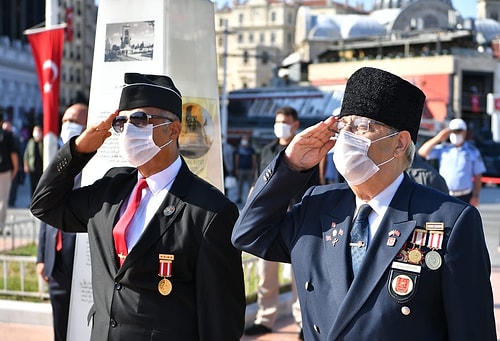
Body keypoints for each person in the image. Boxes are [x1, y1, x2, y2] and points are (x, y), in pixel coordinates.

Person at [232, 67, 496, 340]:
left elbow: (473, 331)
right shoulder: (317, 206)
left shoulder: (449, 220)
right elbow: (249, 234)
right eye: (342, 126)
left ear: (399, 143)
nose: (346, 138)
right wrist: (290, 165)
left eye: (361, 127)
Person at [30, 73, 246, 340]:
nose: (129, 129)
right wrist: (79, 150)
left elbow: (221, 321)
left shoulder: (209, 211)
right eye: (122, 122)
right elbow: (44, 205)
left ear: (174, 129)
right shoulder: (111, 188)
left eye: (141, 120)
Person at [244, 106, 319, 339]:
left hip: (296, 217)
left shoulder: (306, 151)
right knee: (265, 271)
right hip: (268, 218)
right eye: (278, 121)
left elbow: (317, 184)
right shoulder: (266, 151)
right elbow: (258, 184)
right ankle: (265, 319)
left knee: (297, 271)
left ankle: (301, 322)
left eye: (285, 121)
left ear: (296, 125)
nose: (281, 126)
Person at [36, 103, 88, 341]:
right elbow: (44, 211)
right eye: (65, 120)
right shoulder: (57, 163)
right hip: (54, 262)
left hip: (79, 260)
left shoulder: (93, 168)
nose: (67, 125)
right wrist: (41, 257)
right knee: (60, 327)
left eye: (73, 121)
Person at [418, 118, 486, 206]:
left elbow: (478, 175)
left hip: (465, 196)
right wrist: (438, 138)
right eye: (453, 132)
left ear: (464, 132)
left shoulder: (472, 151)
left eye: (458, 131)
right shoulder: (444, 149)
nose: (455, 134)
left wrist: (476, 195)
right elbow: (422, 152)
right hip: (445, 194)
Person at [0, 113, 19, 235]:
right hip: (4, 170)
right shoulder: (7, 135)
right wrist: (16, 168)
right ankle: (0, 226)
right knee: (2, 199)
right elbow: (13, 154)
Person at [2, 121, 23, 207]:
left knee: (12, 186)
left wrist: (16, 168)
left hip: (10, 167)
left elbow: (16, 154)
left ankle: (11, 201)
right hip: (3, 167)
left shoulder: (13, 139)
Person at [234, 134, 257, 203]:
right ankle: (239, 198)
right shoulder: (239, 149)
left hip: (249, 170)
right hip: (241, 169)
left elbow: (254, 159)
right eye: (243, 138)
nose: (244, 140)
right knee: (240, 185)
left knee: (251, 185)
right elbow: (236, 159)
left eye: (246, 139)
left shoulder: (251, 149)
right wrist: (236, 168)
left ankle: (250, 199)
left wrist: (253, 169)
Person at [23, 125, 44, 196]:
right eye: (35, 130)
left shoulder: (44, 141)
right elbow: (26, 154)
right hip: (32, 168)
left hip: (42, 168)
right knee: (32, 186)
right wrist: (26, 165)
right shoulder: (31, 142)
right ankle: (32, 201)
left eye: (38, 130)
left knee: (41, 186)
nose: (37, 132)